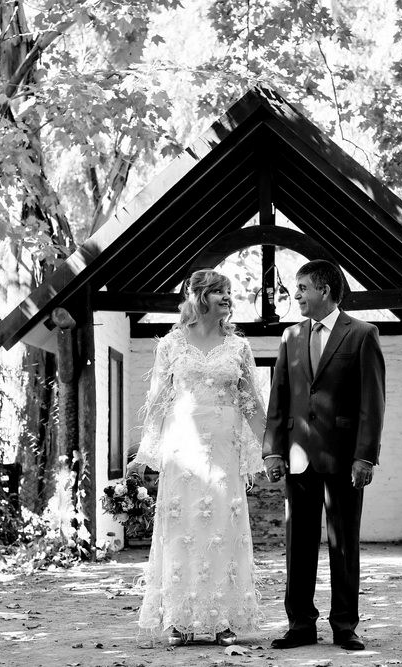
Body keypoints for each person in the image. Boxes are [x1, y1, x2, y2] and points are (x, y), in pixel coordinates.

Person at [129, 269, 266, 647]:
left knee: (223, 529)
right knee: (181, 530)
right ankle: (179, 620)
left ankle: (223, 619)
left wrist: (269, 449)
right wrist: (143, 454)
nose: (227, 298)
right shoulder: (171, 344)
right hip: (182, 451)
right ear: (200, 296)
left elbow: (251, 402)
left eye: (229, 293)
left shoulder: (239, 346)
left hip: (224, 448)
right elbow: (157, 402)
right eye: (220, 292)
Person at [262, 259, 385, 652]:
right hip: (297, 458)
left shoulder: (362, 334)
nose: (295, 295)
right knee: (298, 546)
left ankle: (344, 626)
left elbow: (373, 401)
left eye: (302, 288)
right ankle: (300, 625)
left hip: (345, 459)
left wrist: (365, 456)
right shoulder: (290, 336)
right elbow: (278, 396)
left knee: (343, 546)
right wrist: (272, 451)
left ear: (325, 291)